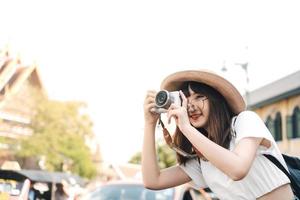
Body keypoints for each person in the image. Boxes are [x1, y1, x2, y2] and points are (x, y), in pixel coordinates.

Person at [142, 69, 295, 200]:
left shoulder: (244, 121)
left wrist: (186, 128)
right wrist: (149, 123)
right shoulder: (202, 159)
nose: (191, 106)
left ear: (216, 100)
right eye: (185, 100)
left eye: (199, 97)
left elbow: (238, 169)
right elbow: (153, 181)